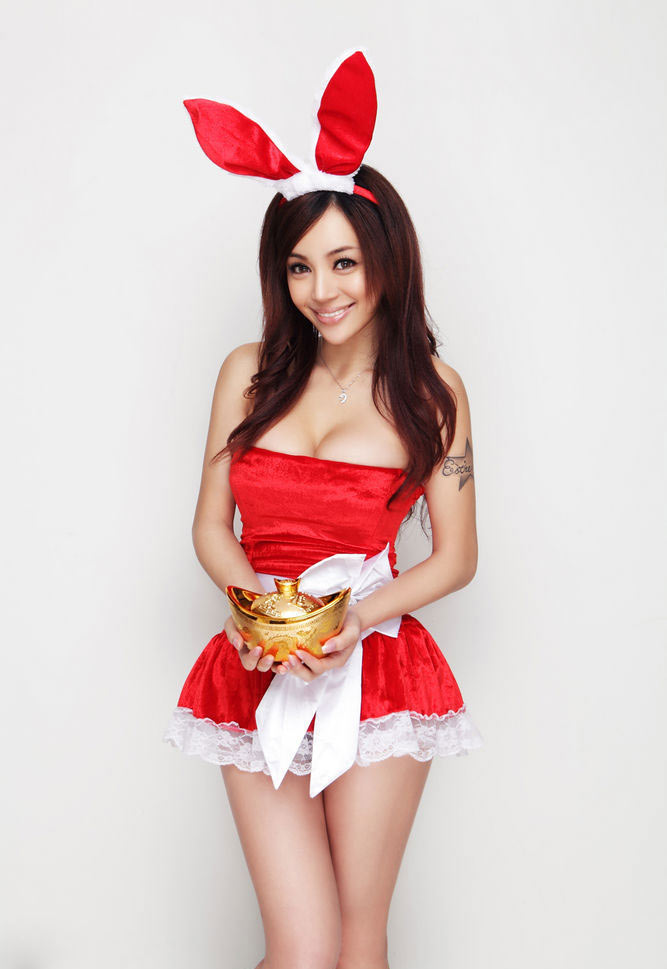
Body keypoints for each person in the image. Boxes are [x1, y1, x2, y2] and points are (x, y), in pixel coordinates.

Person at [163, 50, 483, 969]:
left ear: (385, 258)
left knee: (355, 940)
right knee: (300, 948)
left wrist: (353, 618)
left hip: (374, 666)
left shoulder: (433, 393)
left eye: (343, 262)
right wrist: (251, 610)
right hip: (254, 660)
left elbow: (454, 557)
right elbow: (210, 525)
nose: (322, 290)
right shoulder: (248, 372)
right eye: (300, 267)